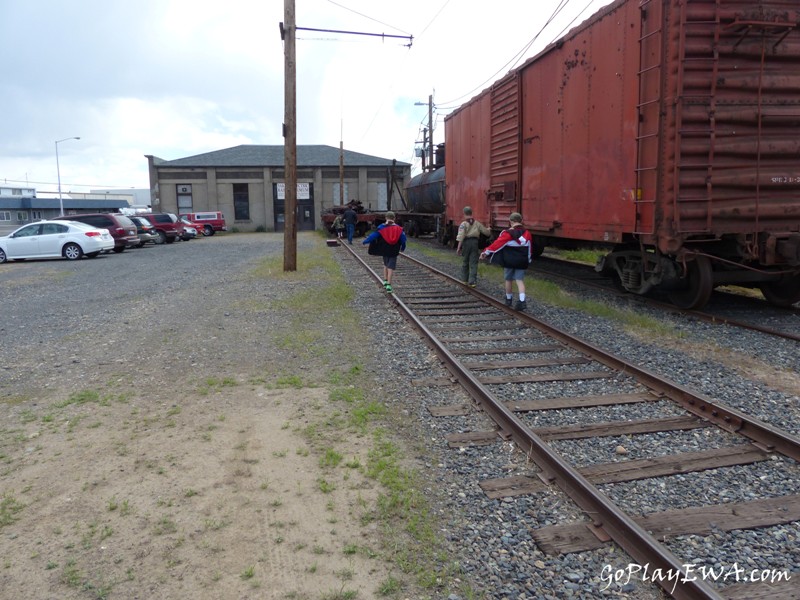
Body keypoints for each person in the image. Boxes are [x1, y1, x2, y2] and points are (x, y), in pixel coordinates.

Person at [480, 212, 533, 310]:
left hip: (509, 261)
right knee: (519, 280)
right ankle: (522, 301)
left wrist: (485, 252)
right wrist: (528, 259)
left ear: (511, 222)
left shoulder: (507, 233)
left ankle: (509, 299)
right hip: (521, 261)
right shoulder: (527, 233)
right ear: (521, 221)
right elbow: (529, 248)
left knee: (508, 279)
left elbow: (497, 244)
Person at [362, 211, 407, 293]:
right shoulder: (399, 228)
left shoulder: (382, 227)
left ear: (386, 218)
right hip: (394, 250)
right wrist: (403, 248)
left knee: (386, 264)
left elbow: (374, 235)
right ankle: (389, 285)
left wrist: (366, 241)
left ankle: (385, 280)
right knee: (391, 267)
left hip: (384, 249)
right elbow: (403, 239)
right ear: (394, 218)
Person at [456, 206, 491, 287]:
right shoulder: (477, 223)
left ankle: (464, 280)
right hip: (475, 243)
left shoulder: (463, 224)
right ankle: (472, 281)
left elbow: (461, 236)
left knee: (465, 261)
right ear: (472, 213)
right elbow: (486, 233)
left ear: (464, 213)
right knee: (473, 262)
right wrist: (489, 230)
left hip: (466, 243)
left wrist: (458, 248)